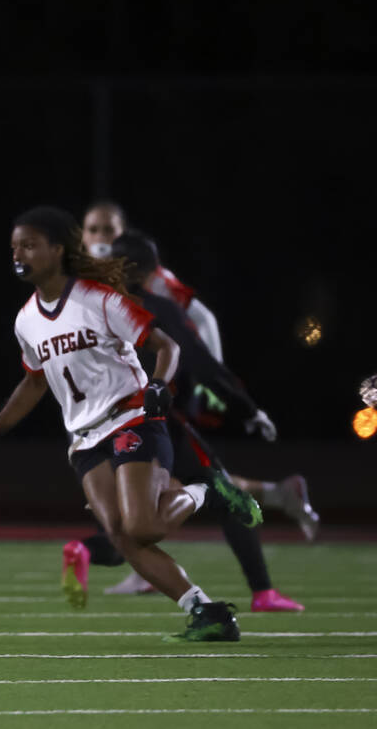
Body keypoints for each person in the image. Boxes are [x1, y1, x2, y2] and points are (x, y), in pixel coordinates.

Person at [0, 206, 261, 642]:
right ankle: (207, 612)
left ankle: (209, 489)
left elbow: (166, 346)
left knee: (143, 527)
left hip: (131, 417)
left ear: (57, 250)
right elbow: (34, 382)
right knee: (122, 538)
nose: (18, 253)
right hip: (83, 438)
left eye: (29, 244)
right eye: (14, 247)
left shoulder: (98, 298)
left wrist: (159, 385)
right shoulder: (25, 320)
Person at [62, 230, 304, 613]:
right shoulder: (153, 306)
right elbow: (200, 361)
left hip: (97, 432)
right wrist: (246, 407)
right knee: (217, 493)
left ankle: (85, 550)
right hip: (156, 423)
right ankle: (262, 591)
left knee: (127, 529)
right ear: (147, 269)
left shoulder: (87, 309)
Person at [82, 201, 319, 545]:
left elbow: (201, 321)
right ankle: (277, 494)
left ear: (125, 235)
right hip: (118, 396)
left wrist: (208, 385)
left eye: (109, 230)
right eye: (93, 230)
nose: (101, 238)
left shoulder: (152, 279)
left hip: (160, 389)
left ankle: (145, 562)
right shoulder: (87, 277)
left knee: (155, 477)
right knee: (178, 474)